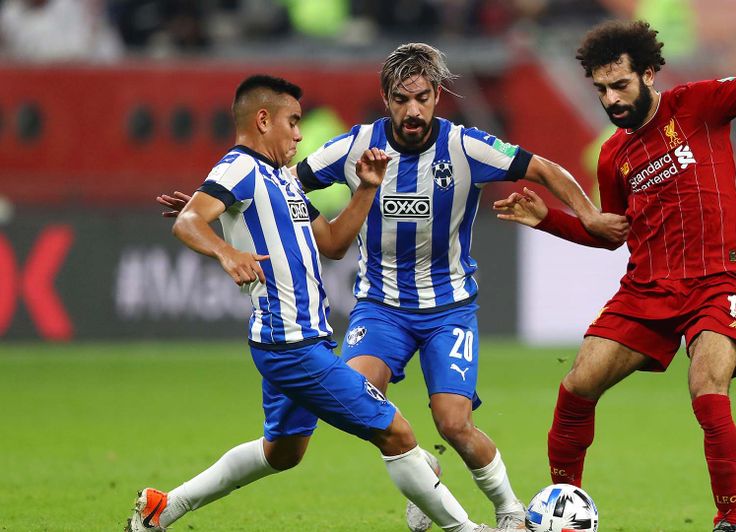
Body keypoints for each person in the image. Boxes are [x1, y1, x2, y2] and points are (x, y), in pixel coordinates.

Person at [158, 42, 627, 531]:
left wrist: (589, 216)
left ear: (437, 95)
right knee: (364, 401)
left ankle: (509, 512)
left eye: (422, 98)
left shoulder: (466, 146)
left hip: (449, 308)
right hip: (380, 308)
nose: (413, 109)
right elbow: (276, 182)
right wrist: (208, 205)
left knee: (454, 423)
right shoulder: (355, 147)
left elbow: (543, 168)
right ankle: (427, 474)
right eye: (402, 100)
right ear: (386, 99)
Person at [127, 74, 512, 532]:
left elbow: (332, 242)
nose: (299, 133)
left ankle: (164, 506)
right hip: (289, 344)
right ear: (263, 120)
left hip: (302, 339)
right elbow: (189, 220)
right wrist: (226, 251)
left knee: (283, 451)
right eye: (292, 122)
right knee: (397, 432)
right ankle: (464, 528)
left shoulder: (283, 180)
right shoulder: (239, 168)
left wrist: (367, 188)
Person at [493, 2, 736, 531]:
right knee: (577, 385)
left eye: (619, 85)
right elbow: (610, 235)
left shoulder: (699, 104)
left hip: (715, 278)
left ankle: (730, 520)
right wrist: (549, 220)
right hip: (648, 287)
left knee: (707, 384)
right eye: (601, 90)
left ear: (648, 74)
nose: (610, 99)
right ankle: (563, 512)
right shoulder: (613, 156)